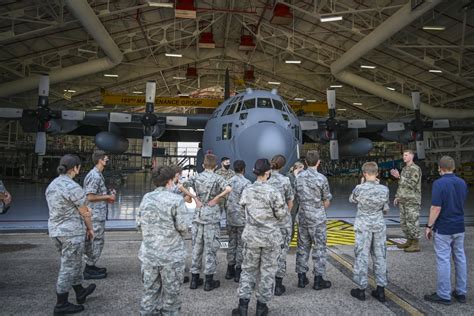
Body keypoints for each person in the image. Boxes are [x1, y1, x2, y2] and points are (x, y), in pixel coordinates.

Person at [232, 159, 287, 316]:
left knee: (248, 271)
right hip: (271, 238)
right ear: (268, 172)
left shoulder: (247, 190)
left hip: (252, 237)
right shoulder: (273, 192)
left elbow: (242, 211)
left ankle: (242, 308)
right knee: (267, 272)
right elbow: (282, 215)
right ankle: (261, 308)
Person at [45, 154, 96, 315]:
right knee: (68, 267)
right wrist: (90, 229)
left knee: (72, 263)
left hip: (55, 231)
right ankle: (61, 304)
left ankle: (80, 291)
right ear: (76, 168)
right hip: (71, 233)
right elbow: (85, 212)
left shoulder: (52, 185)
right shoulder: (73, 187)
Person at [136, 166, 188, 315]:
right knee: (171, 297)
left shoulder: (146, 198)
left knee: (149, 293)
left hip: (149, 255)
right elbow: (183, 227)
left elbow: (138, 224)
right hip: (171, 257)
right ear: (170, 181)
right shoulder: (176, 200)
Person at [183, 154, 231, 291]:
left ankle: (194, 280)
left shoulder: (196, 177)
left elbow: (180, 185)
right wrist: (217, 198)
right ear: (215, 166)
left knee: (197, 248)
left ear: (203, 165)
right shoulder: (218, 178)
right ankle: (208, 282)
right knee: (210, 249)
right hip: (211, 217)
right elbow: (228, 189)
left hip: (198, 216)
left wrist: (194, 197)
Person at [424, 156, 468, 305]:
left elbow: (436, 207)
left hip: (444, 227)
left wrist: (429, 226)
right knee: (460, 258)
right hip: (459, 226)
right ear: (453, 168)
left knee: (444, 260)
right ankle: (461, 292)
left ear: (440, 169)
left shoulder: (439, 183)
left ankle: (444, 294)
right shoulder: (462, 182)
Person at [349, 162, 389, 302]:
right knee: (380, 256)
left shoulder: (359, 188)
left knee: (362, 256)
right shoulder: (384, 190)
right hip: (378, 225)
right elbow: (385, 208)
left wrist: (361, 184)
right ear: (377, 173)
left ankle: (361, 289)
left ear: (364, 173)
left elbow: (352, 200)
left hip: (363, 226)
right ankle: (381, 289)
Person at [294, 150, 332, 290]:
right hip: (317, 218)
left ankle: (302, 278)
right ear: (318, 162)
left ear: (305, 162)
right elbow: (326, 200)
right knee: (319, 248)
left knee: (303, 248)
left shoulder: (299, 178)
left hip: (303, 217)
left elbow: (296, 197)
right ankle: (318, 280)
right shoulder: (322, 179)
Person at [83, 150, 115, 279]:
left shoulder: (97, 175)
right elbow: (90, 196)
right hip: (94, 215)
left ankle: (91, 266)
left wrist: (106, 197)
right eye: (106, 159)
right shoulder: (95, 176)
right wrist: (107, 196)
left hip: (97, 214)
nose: (107, 161)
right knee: (95, 241)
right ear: (100, 160)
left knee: (95, 241)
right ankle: (88, 269)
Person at [267, 154, 294, 296]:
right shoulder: (285, 181)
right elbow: (290, 201)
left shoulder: (265, 179)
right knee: (282, 252)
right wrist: (284, 215)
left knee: (267, 252)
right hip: (282, 222)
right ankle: (278, 285)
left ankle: (267, 283)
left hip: (267, 222)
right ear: (283, 166)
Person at [390, 149, 422, 252]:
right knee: (404, 222)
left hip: (412, 200)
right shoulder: (404, 169)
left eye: (406, 155)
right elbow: (402, 185)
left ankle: (415, 244)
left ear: (412, 156)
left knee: (412, 222)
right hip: (404, 199)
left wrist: (399, 176)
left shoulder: (415, 169)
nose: (404, 157)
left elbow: (412, 184)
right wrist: (397, 196)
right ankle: (409, 240)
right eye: (403, 155)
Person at [225, 160, 251, 283]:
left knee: (231, 243)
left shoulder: (228, 181)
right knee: (241, 244)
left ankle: (229, 269)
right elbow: (247, 201)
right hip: (241, 218)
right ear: (243, 169)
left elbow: (225, 198)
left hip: (230, 217)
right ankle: (238, 271)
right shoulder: (246, 183)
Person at [215, 157, 235, 225]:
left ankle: (228, 229)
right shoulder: (217, 173)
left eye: (229, 163)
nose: (228, 164)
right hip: (220, 196)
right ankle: (217, 228)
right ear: (222, 163)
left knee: (229, 214)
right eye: (226, 163)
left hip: (229, 197)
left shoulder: (232, 173)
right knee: (217, 214)